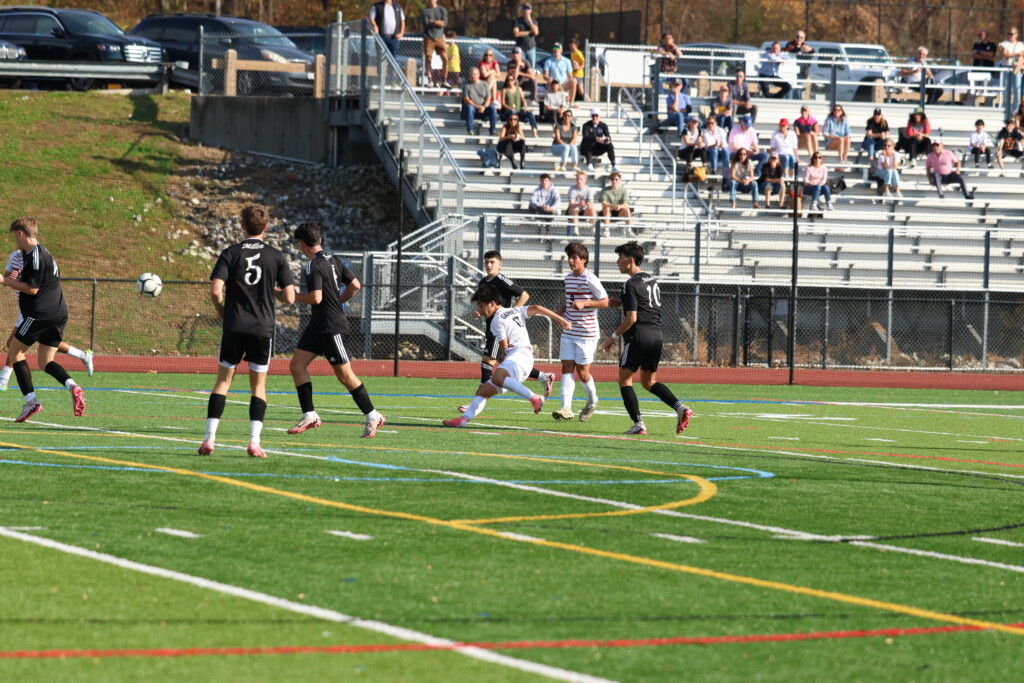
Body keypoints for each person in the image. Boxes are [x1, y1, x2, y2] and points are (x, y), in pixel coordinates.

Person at [199, 205, 296, 457]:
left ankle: (209, 440)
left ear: (242, 226)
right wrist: (268, 290)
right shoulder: (276, 256)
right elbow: (289, 297)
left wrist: (222, 311)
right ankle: (254, 442)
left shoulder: (230, 253)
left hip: (234, 325)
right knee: (258, 387)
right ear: (266, 227)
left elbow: (214, 290)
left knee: (223, 382)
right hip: (262, 328)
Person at [286, 223, 385, 440]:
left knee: (345, 376)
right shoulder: (333, 258)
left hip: (331, 328)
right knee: (296, 365)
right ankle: (309, 415)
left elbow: (316, 298)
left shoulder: (313, 265)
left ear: (301, 243)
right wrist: (338, 300)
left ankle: (372, 415)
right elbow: (355, 285)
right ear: (319, 240)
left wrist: (294, 295)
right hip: (318, 326)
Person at [443, 285, 569, 428]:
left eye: (481, 305)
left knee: (497, 377)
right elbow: (537, 307)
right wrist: (561, 320)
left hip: (519, 355)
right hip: (524, 357)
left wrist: (504, 362)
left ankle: (535, 398)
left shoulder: (496, 321)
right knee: (482, 391)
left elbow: (505, 348)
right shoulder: (515, 310)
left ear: (491, 303)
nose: (479, 310)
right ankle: (463, 420)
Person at [600, 241, 693, 436]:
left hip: (638, 337)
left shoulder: (630, 283)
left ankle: (639, 424)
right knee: (649, 382)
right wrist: (621, 305)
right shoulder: (652, 280)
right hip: (656, 336)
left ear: (630, 260)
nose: (617, 262)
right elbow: (644, 308)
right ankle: (681, 408)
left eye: (620, 258)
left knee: (625, 380)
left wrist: (612, 337)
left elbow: (632, 318)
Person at [1, 217, 86, 423]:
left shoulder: (35, 257)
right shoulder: (42, 253)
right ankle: (72, 386)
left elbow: (33, 289)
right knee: (45, 361)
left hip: (39, 314)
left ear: (21, 234)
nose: (15, 242)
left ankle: (31, 402)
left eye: (15, 237)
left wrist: (5, 280)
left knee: (15, 350)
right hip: (57, 313)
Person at [456, 251, 554, 414]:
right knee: (505, 363)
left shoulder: (501, 280)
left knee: (487, 364)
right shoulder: (483, 281)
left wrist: (512, 312)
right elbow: (486, 304)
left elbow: (524, 294)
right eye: (486, 262)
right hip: (491, 327)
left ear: (500, 264)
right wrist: (479, 312)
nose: (489, 265)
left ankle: (476, 402)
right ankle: (544, 376)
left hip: (501, 328)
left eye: (492, 262)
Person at [0, 248, 93, 391]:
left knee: (14, 344)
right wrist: (10, 278)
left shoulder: (39, 256)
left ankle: (4, 381)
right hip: (27, 308)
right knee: (43, 344)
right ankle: (82, 356)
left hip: (37, 309)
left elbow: (37, 284)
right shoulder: (15, 257)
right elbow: (5, 279)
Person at [552, 241, 608, 422]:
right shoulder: (568, 278)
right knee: (566, 368)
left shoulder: (590, 278)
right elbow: (571, 302)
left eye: (575, 257)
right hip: (569, 331)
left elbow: (605, 301)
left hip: (587, 334)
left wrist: (585, 303)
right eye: (569, 257)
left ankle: (592, 401)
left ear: (584, 260)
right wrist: (562, 312)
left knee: (583, 372)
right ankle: (566, 407)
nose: (571, 260)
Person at [462, 67, 497, 136]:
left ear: (478, 75)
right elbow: (466, 99)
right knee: (469, 108)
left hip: (483, 108)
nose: (473, 76)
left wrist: (483, 107)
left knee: (493, 108)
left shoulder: (485, 84)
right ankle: (470, 130)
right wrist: (477, 107)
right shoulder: (466, 86)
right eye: (471, 74)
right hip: (473, 108)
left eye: (474, 74)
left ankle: (493, 130)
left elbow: (488, 98)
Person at [421, 0, 448, 87]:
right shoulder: (425, 11)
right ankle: (430, 80)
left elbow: (444, 23)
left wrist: (433, 22)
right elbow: (426, 24)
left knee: (445, 59)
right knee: (428, 58)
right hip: (428, 37)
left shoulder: (442, 10)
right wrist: (438, 22)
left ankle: (444, 80)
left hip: (440, 37)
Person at [997, 27, 1024, 110]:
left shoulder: (1020, 45)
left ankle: (1015, 109)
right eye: (1008, 34)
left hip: (1016, 69)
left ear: (1016, 35)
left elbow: (1022, 56)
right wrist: (1016, 54)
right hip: (1007, 68)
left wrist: (1018, 62)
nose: (1010, 36)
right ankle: (1006, 108)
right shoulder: (1005, 43)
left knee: (1017, 89)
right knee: (1006, 89)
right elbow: (1005, 54)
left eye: (1011, 34)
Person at [566, 170, 597, 235]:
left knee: (592, 209)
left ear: (585, 180)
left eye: (581, 179)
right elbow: (571, 204)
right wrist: (579, 204)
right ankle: (575, 230)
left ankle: (593, 229)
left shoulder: (589, 190)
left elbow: (591, 202)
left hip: (584, 210)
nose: (579, 181)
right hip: (574, 210)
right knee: (575, 209)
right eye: (577, 179)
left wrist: (588, 204)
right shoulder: (572, 189)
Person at [512, 3, 539, 76]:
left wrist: (529, 20)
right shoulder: (517, 21)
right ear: (522, 10)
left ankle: (530, 83)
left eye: (528, 9)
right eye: (525, 9)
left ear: (531, 11)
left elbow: (536, 32)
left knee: (531, 68)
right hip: (521, 49)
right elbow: (516, 33)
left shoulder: (534, 21)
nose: (526, 11)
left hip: (531, 48)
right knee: (521, 66)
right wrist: (530, 32)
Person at [823, 104, 851, 171]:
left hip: (841, 142)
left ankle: (844, 159)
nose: (837, 111)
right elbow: (825, 133)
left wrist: (846, 137)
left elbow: (849, 133)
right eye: (835, 110)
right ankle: (841, 160)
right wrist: (835, 138)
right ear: (833, 112)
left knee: (848, 139)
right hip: (830, 143)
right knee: (840, 139)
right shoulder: (829, 120)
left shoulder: (845, 120)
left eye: (838, 110)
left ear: (841, 112)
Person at [568, 37, 586, 103]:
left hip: (578, 74)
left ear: (576, 45)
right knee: (575, 89)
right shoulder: (572, 53)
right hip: (573, 74)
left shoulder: (578, 53)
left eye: (571, 44)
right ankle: (571, 101)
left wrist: (578, 68)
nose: (570, 46)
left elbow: (584, 64)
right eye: (570, 44)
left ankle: (589, 101)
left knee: (581, 91)